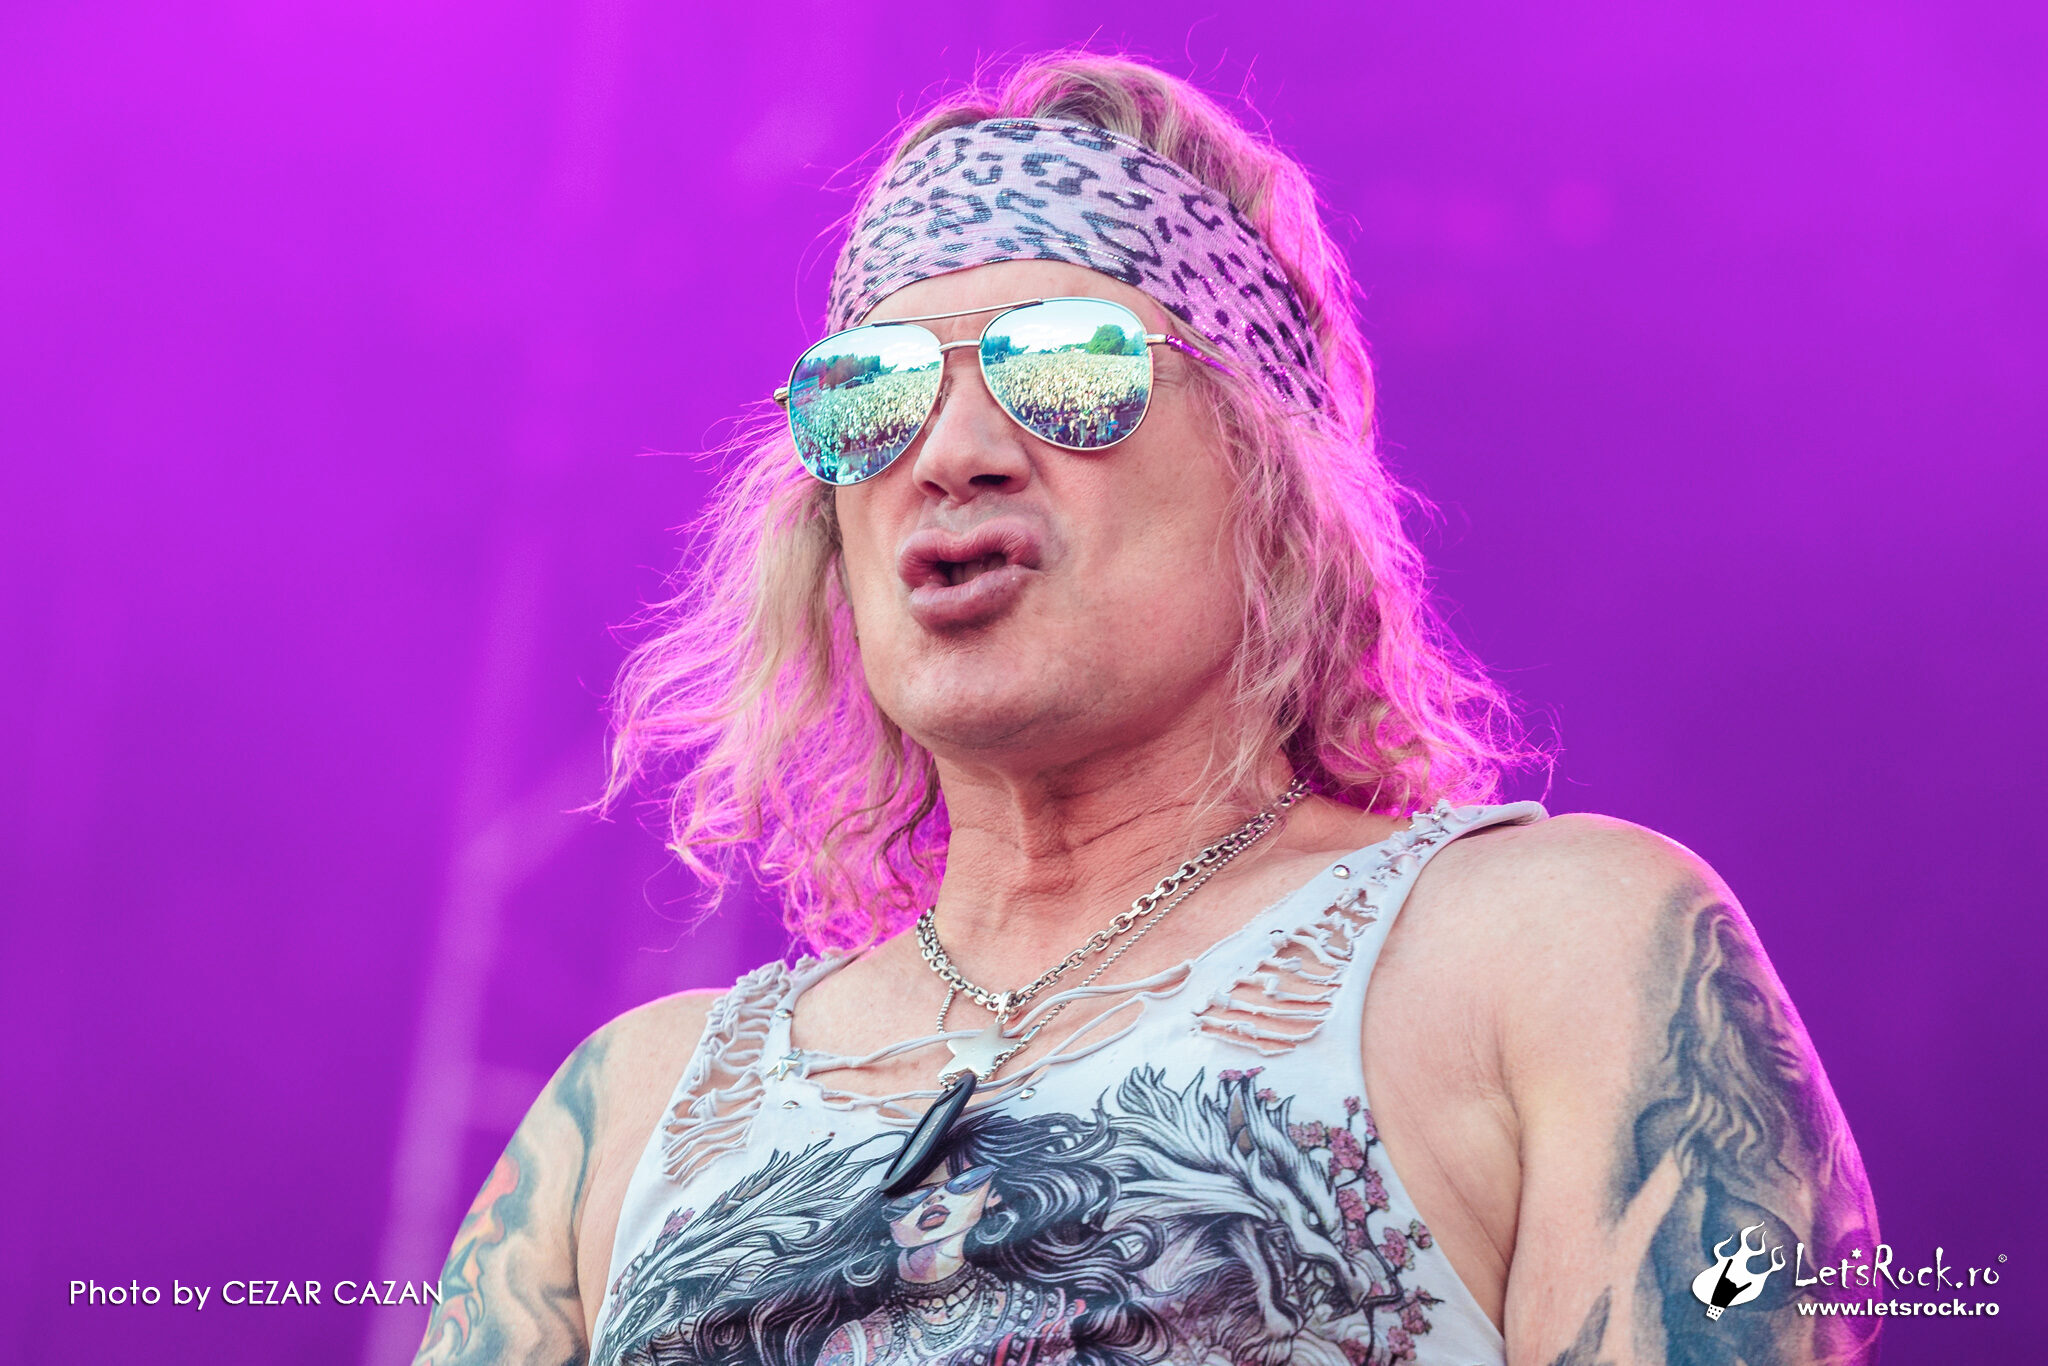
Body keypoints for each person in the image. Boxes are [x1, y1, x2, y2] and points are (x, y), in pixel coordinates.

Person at [414, 52, 1878, 1366]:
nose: (953, 452)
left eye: (1065, 365)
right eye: (873, 390)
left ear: (1269, 473)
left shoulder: (1551, 958)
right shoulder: (625, 1116)